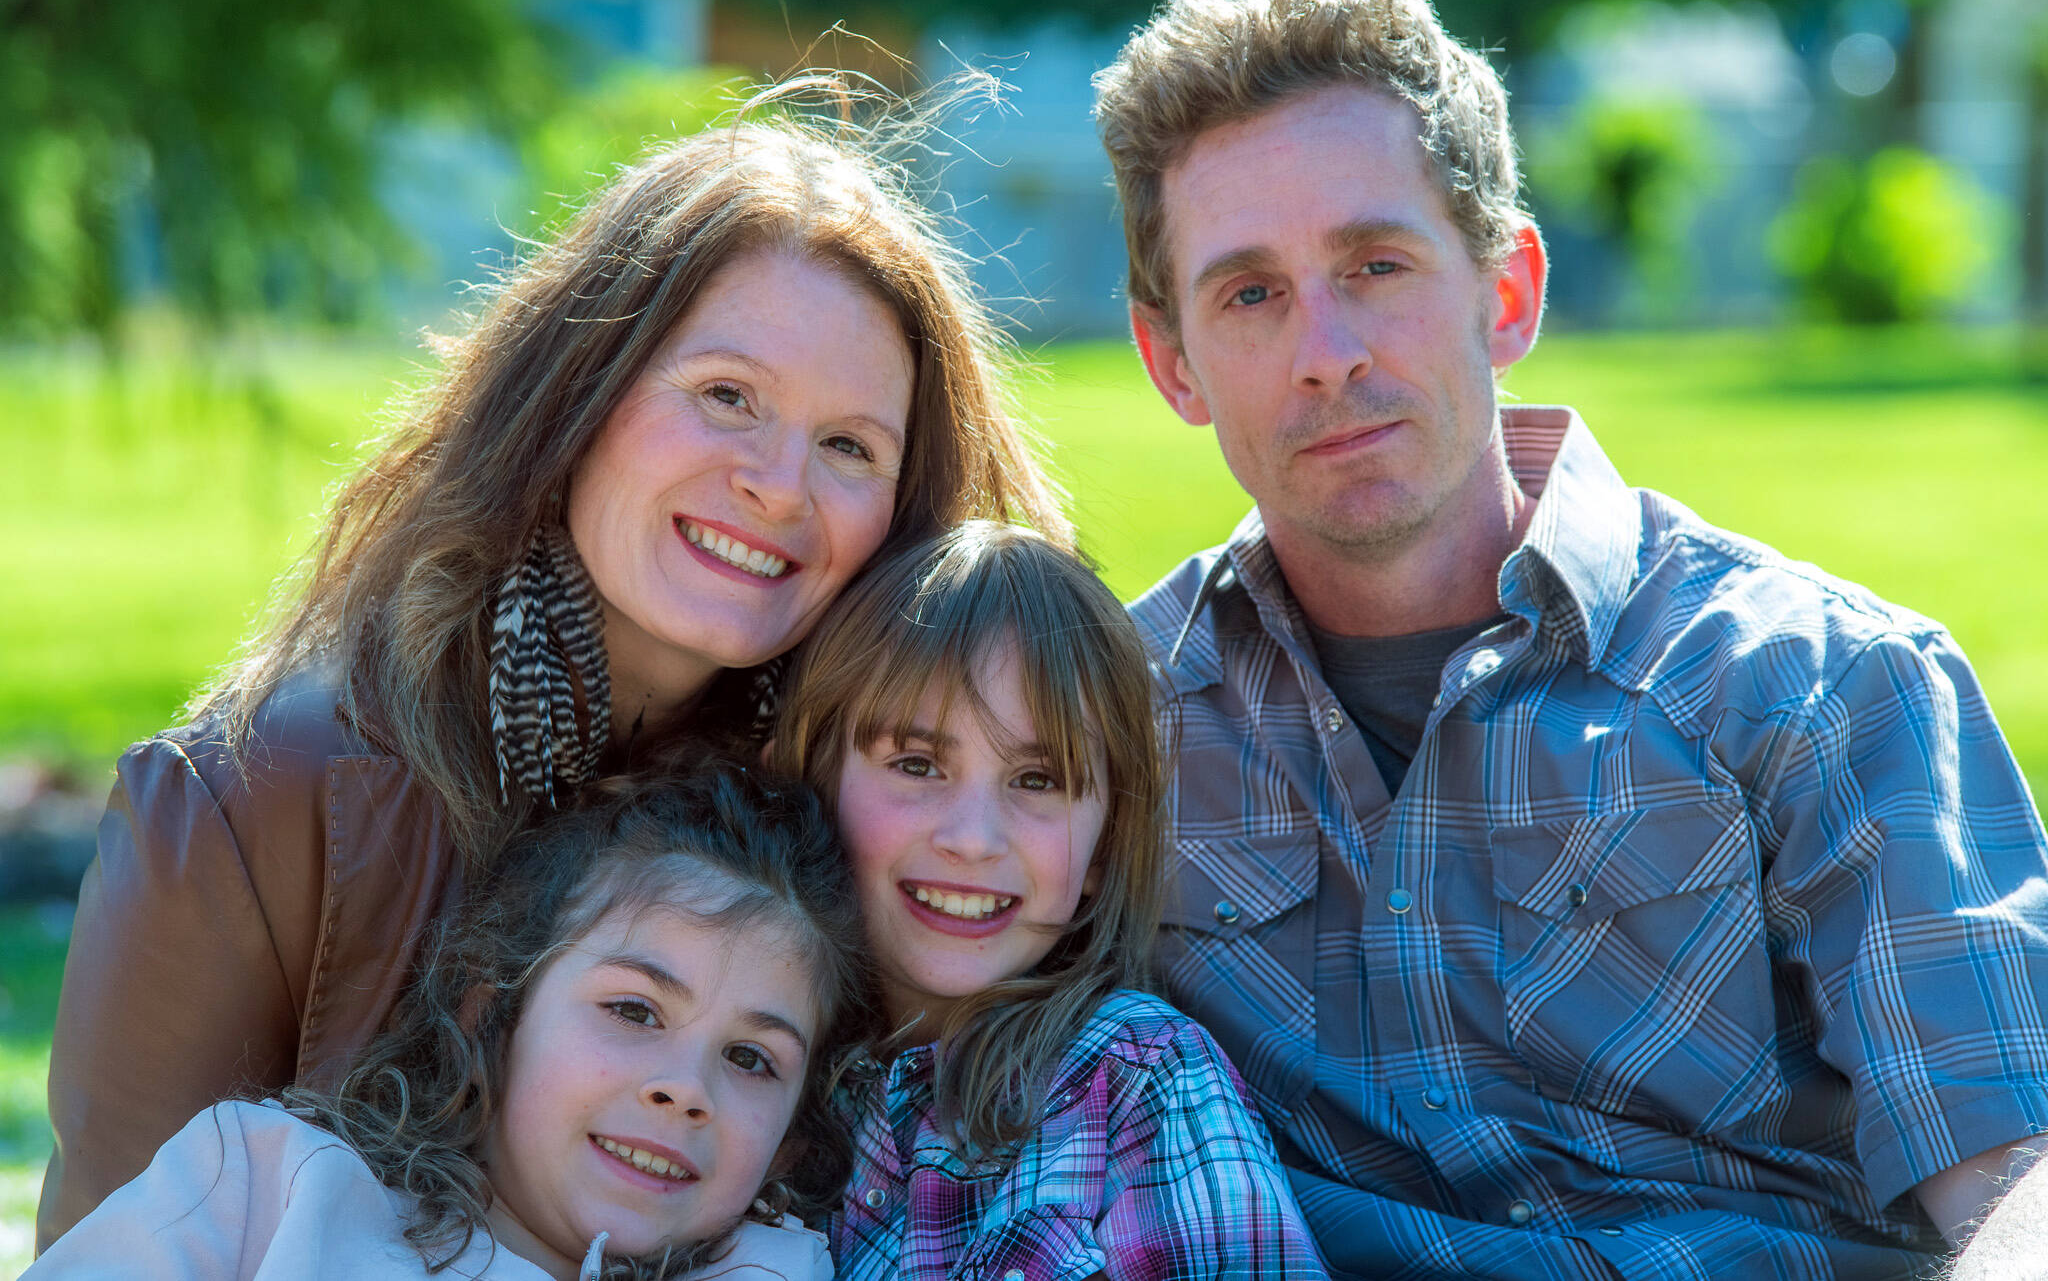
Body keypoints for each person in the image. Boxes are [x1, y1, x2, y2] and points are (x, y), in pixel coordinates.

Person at [1090, 0, 2048, 1281]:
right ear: (1172, 362)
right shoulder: (1108, 730)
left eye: (1376, 264)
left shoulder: (1821, 685)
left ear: (1509, 291)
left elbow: (2017, 1179)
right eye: (1251, 295)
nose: (1329, 354)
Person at [38, 91, 1071, 1251]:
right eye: (726, 396)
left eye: (848, 447)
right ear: (579, 392)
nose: (780, 486)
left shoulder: (877, 813)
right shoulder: (253, 803)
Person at [30, 759, 865, 1279]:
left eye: (753, 1058)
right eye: (634, 1008)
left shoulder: (778, 1269)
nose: (686, 1089)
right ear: (491, 1007)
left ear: (790, 1140)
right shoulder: (266, 1187)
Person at [769, 521, 1327, 1279]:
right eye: (917, 763)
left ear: (1102, 848)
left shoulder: (1135, 1078)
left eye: (1038, 780)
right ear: (814, 778)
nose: (973, 838)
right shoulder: (751, 1064)